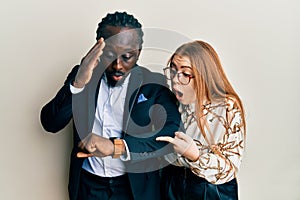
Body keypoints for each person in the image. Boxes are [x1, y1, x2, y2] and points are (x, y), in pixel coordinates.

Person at [40, 11, 181, 200]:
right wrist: (79, 83)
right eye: (109, 54)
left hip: (136, 189)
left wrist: (118, 147)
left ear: (138, 53)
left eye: (127, 56)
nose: (117, 65)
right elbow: (50, 123)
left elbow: (172, 134)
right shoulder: (82, 75)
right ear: (99, 47)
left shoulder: (154, 83)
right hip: (88, 186)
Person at [157, 40, 246, 200]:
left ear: (203, 76)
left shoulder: (227, 106)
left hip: (210, 189)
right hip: (173, 182)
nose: (176, 80)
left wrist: (196, 156)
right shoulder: (170, 102)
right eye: (173, 71)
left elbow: (230, 167)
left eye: (185, 74)